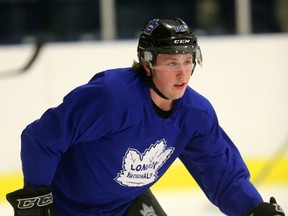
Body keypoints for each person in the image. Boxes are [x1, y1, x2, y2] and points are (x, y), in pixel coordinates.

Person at [6, 18, 285, 216]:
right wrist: (36, 195)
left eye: (188, 61)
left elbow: (222, 176)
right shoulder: (110, 97)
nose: (183, 74)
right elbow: (42, 137)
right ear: (147, 64)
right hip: (66, 207)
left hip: (125, 205)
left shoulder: (195, 113)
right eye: (172, 62)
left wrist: (253, 209)